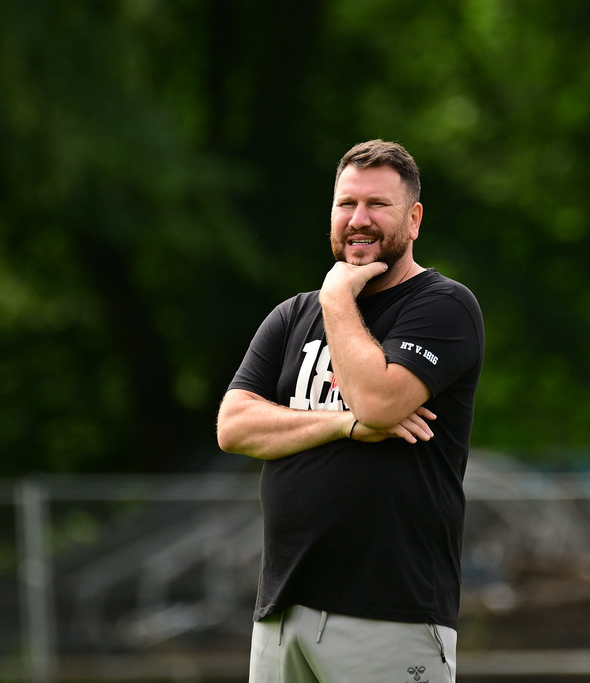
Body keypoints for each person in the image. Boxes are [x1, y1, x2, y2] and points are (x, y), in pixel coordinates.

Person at [216, 139, 484, 683]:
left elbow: (380, 401)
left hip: (390, 614)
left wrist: (337, 296)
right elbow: (234, 425)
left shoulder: (444, 306)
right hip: (281, 613)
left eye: (377, 206)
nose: (358, 220)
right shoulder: (292, 316)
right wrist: (345, 424)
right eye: (346, 204)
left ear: (413, 219)